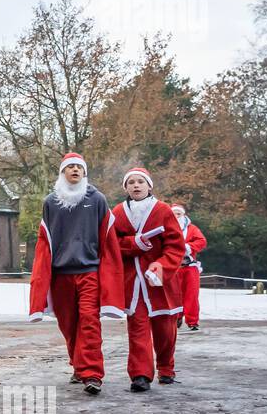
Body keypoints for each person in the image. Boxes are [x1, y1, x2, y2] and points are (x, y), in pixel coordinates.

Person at [28, 152, 126, 395]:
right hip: (61, 273)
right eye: (69, 167)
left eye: (78, 167)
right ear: (62, 172)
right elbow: (45, 241)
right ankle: (78, 363)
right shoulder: (51, 202)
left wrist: (108, 272)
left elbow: (108, 238)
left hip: (89, 271)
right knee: (69, 324)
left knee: (89, 321)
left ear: (84, 172)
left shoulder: (98, 200)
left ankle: (92, 374)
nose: (74, 170)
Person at [112, 167, 186, 391]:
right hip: (133, 283)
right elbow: (111, 245)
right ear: (125, 187)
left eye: (140, 182)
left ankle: (165, 367)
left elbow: (176, 246)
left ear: (149, 186)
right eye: (131, 182)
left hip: (160, 280)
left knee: (165, 329)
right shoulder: (117, 213)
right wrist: (134, 244)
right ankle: (140, 375)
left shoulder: (163, 210)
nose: (136, 185)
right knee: (138, 328)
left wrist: (161, 267)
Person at [171, 203, 207, 331]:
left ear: (183, 215)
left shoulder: (192, 229)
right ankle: (176, 317)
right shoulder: (166, 228)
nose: (176, 216)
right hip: (172, 268)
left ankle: (192, 321)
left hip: (189, 267)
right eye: (173, 214)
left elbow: (202, 241)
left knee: (191, 295)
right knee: (174, 295)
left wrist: (188, 247)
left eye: (178, 214)